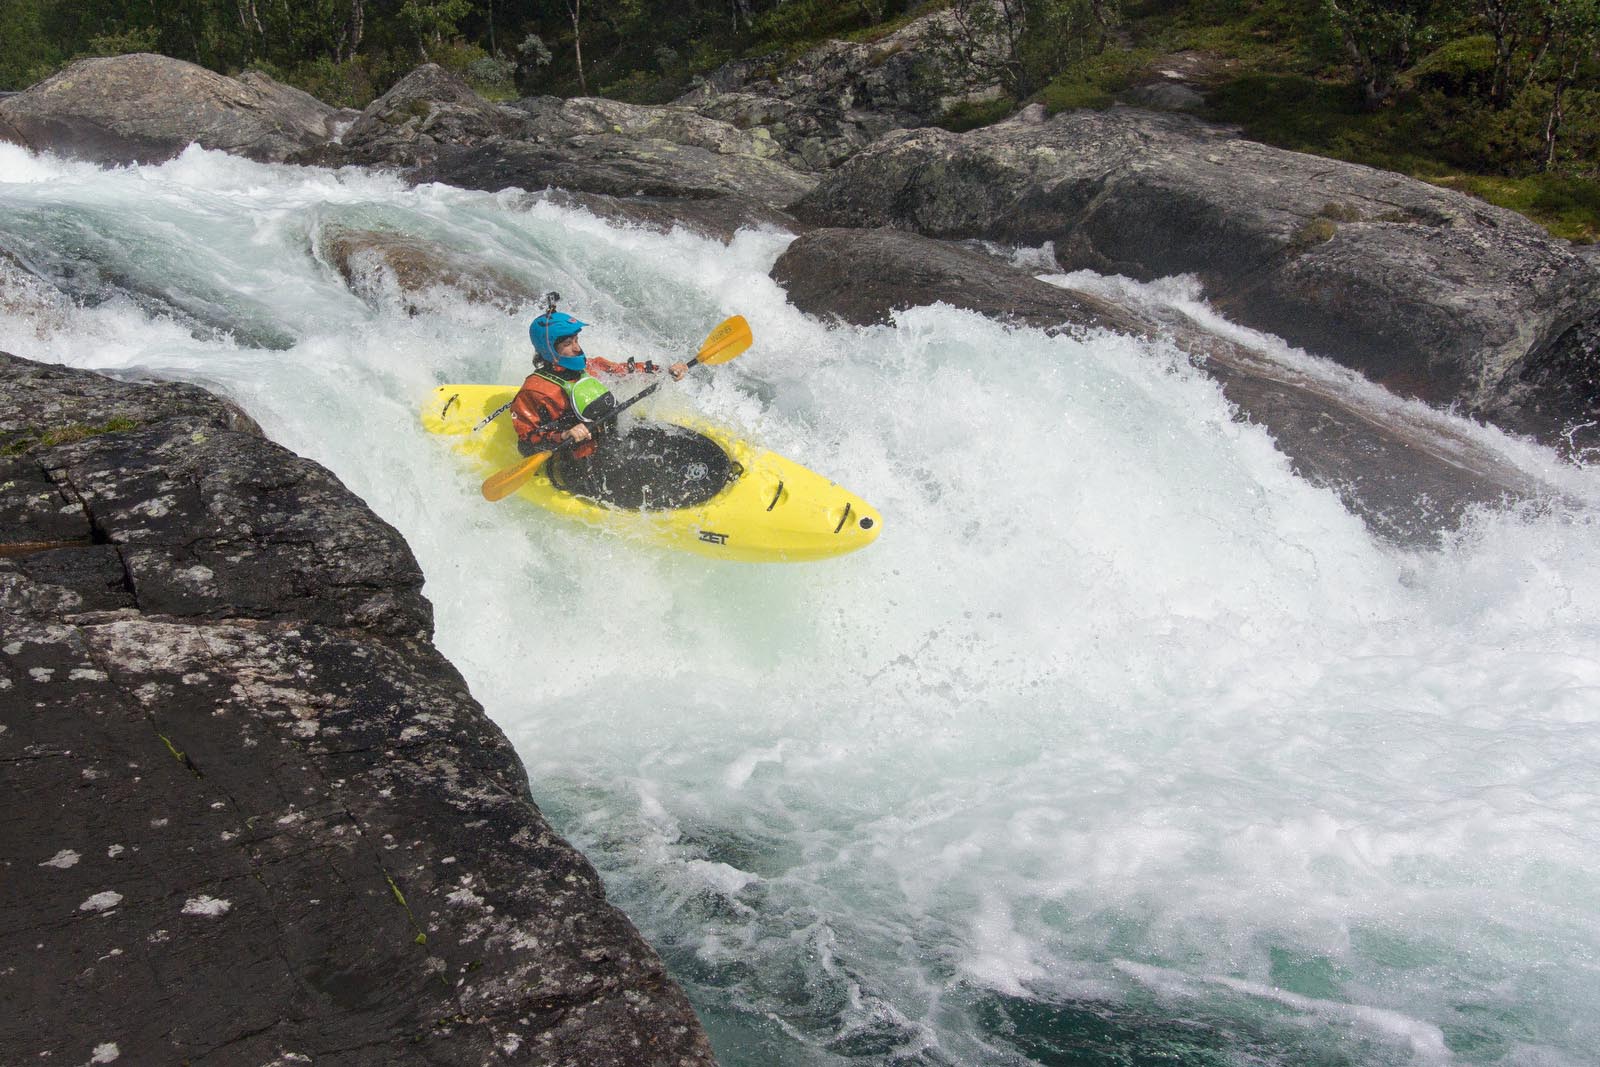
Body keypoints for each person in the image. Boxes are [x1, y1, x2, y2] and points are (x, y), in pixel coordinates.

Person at [511, 309, 687, 458]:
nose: (577, 348)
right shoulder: (535, 392)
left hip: (612, 442)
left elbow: (625, 371)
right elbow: (526, 443)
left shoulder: (588, 367)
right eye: (568, 343)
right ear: (549, 349)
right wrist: (564, 434)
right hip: (580, 462)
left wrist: (665, 370)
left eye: (576, 340)